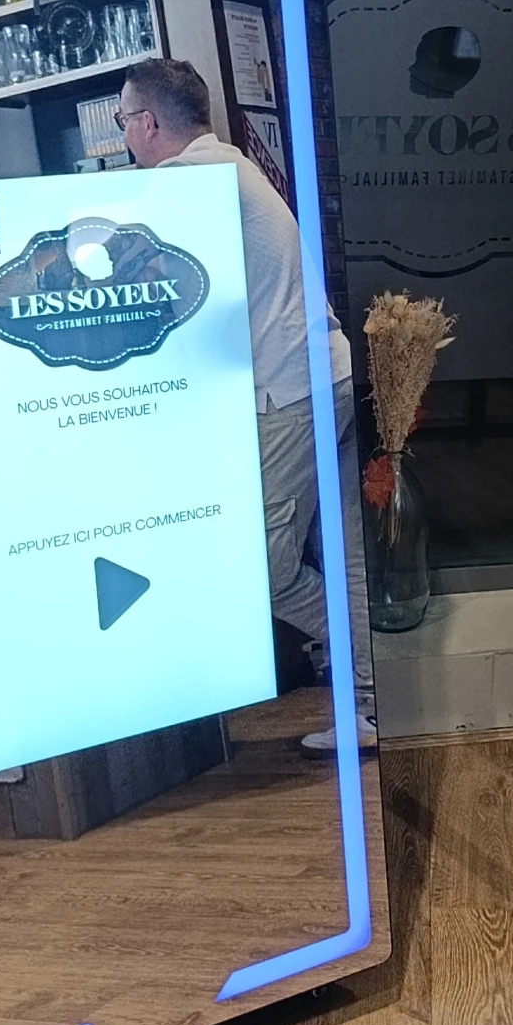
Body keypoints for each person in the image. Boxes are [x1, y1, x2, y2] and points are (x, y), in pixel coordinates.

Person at [120, 56, 376, 751]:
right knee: (344, 554)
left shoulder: (182, 180)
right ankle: (371, 705)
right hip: (328, 373)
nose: (124, 136)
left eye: (124, 121)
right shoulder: (231, 164)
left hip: (290, 391)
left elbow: (124, 268)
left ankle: (364, 671)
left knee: (258, 566)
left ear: (148, 123)